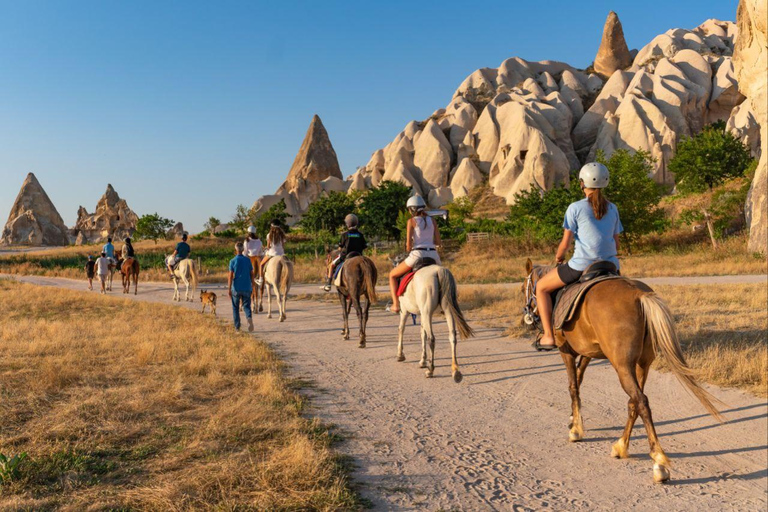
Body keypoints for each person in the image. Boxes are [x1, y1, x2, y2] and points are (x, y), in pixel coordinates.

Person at [533, 162, 623, 351]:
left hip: (582, 265)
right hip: (611, 265)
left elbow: (565, 244)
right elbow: (617, 243)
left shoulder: (575, 208)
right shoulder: (613, 208)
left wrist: (559, 257)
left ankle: (548, 336)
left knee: (540, 287)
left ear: (582, 183)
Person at [388, 195, 442, 313]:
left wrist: (411, 246)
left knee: (392, 275)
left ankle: (396, 305)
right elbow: (438, 242)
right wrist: (428, 243)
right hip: (433, 254)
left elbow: (408, 246)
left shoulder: (411, 221)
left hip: (417, 254)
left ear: (412, 209)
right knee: (443, 278)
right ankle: (444, 304)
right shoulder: (432, 220)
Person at [324, 214, 367, 292]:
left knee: (331, 265)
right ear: (356, 223)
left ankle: (328, 284)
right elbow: (364, 247)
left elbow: (340, 248)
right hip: (359, 256)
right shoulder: (360, 235)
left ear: (347, 224)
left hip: (346, 256)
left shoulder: (344, 235)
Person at [228, 241, 254, 332]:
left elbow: (231, 276)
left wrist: (229, 289)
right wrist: (253, 285)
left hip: (236, 288)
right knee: (247, 306)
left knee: (235, 307)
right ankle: (249, 318)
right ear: (243, 250)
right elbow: (252, 274)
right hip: (247, 287)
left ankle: (237, 327)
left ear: (235, 250)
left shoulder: (232, 261)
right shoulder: (248, 260)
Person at [257, 220, 285, 287]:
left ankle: (261, 280)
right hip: (281, 254)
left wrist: (265, 248)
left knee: (261, 264)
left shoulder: (269, 235)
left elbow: (268, 246)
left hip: (272, 254)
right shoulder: (282, 235)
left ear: (271, 226)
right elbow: (283, 246)